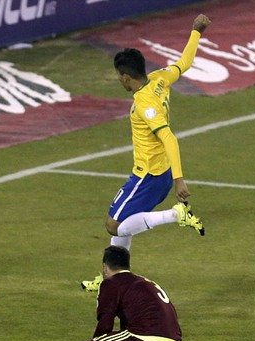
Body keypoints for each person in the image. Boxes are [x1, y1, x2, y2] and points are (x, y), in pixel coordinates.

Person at [82, 14, 211, 292]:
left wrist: (180, 180)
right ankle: (110, 278)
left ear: (127, 77)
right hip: (156, 172)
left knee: (113, 225)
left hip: (149, 175)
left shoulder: (145, 103)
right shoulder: (160, 78)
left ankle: (176, 215)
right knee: (124, 223)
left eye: (120, 77)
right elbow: (184, 63)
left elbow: (168, 137)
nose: (120, 80)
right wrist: (196, 32)